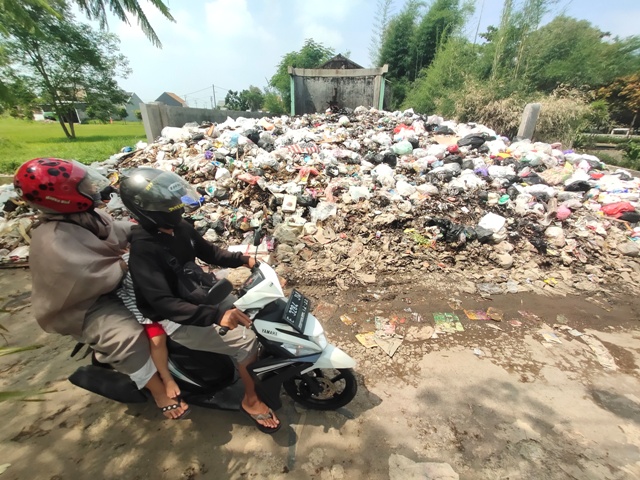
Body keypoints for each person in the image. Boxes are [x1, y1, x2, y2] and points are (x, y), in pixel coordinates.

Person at [14, 158, 188, 420]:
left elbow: (118, 232)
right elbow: (90, 275)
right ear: (63, 197)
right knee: (128, 338)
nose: (92, 187)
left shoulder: (85, 217)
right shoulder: (53, 239)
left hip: (112, 283)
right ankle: (158, 391)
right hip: (84, 304)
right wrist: (135, 264)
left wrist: (153, 227)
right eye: (83, 185)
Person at [119, 167, 280, 433]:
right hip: (177, 319)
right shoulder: (144, 250)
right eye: (169, 206)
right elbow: (164, 304)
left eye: (176, 203)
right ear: (148, 210)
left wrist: (246, 259)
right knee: (248, 342)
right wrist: (216, 316)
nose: (176, 209)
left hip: (200, 294)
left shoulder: (178, 227)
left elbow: (210, 252)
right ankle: (251, 401)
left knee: (258, 312)